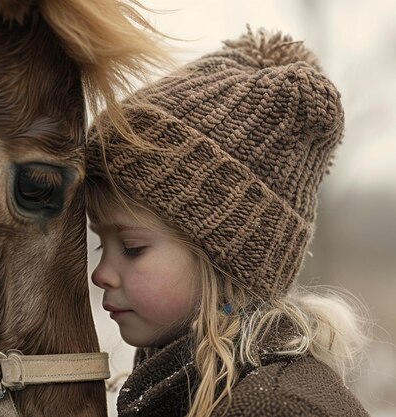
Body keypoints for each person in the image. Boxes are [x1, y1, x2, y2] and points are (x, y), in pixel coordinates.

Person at [86, 28, 370, 417]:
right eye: (101, 244)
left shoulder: (278, 406)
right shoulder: (187, 385)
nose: (100, 274)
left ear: (227, 263)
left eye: (132, 248)